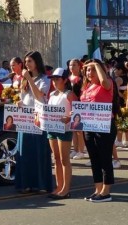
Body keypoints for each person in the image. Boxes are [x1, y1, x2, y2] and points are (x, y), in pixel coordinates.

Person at [15, 51, 52, 193]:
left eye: (30, 61)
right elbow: (25, 98)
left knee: (39, 151)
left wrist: (29, 79)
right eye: (26, 61)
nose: (27, 64)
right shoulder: (24, 79)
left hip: (38, 118)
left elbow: (38, 96)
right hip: (25, 117)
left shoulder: (44, 79)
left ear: (37, 62)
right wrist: (20, 103)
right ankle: (26, 183)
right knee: (25, 151)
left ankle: (41, 183)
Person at [80, 59, 117, 202]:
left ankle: (106, 192)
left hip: (104, 126)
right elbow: (83, 108)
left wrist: (96, 64)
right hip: (88, 127)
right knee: (94, 159)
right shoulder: (87, 87)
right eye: (88, 70)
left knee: (105, 158)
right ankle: (98, 189)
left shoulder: (106, 84)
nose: (89, 73)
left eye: (93, 69)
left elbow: (105, 83)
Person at [46, 67, 77, 199]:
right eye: (53, 79)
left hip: (64, 129)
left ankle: (65, 189)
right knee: (56, 158)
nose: (54, 82)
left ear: (64, 80)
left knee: (64, 159)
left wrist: (69, 118)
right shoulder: (52, 95)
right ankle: (59, 186)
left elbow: (77, 110)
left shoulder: (69, 94)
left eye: (57, 79)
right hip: (52, 128)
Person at [68, 59, 85, 160]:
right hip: (70, 105)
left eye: (74, 65)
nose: (72, 67)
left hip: (79, 105)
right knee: (73, 129)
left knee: (79, 130)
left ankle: (81, 151)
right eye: (70, 65)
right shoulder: (68, 78)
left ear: (79, 66)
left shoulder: (81, 79)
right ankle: (75, 149)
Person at [113, 62, 128, 147]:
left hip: (120, 102)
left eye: (116, 69)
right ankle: (126, 141)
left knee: (119, 121)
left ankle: (119, 140)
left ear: (120, 70)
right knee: (127, 120)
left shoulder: (118, 79)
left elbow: (116, 91)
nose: (114, 71)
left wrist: (123, 97)